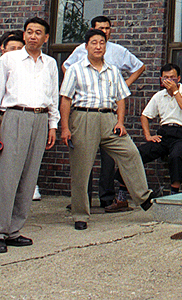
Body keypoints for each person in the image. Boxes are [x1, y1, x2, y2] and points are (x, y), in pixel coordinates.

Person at [60, 29, 152, 230]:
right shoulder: (75, 69)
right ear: (86, 47)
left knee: (130, 152)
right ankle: (80, 215)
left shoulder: (113, 70)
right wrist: (65, 127)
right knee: (81, 168)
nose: (98, 46)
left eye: (102, 43)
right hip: (83, 117)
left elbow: (121, 98)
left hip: (109, 119)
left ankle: (143, 197)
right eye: (94, 43)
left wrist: (120, 122)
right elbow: (66, 99)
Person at [0, 17, 59, 254]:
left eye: (38, 32)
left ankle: (14, 230)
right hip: (15, 116)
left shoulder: (50, 63)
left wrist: (53, 124)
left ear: (46, 38)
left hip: (40, 118)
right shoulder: (9, 59)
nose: (33, 36)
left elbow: (53, 96)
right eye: (29, 32)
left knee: (29, 177)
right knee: (8, 176)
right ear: (24, 35)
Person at [138, 63, 182, 195]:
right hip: (164, 133)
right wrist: (148, 135)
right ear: (161, 79)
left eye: (172, 77)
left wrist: (175, 92)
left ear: (178, 78)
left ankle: (174, 192)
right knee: (137, 154)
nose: (169, 80)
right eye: (166, 78)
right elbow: (144, 116)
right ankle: (123, 191)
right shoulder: (159, 95)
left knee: (176, 156)